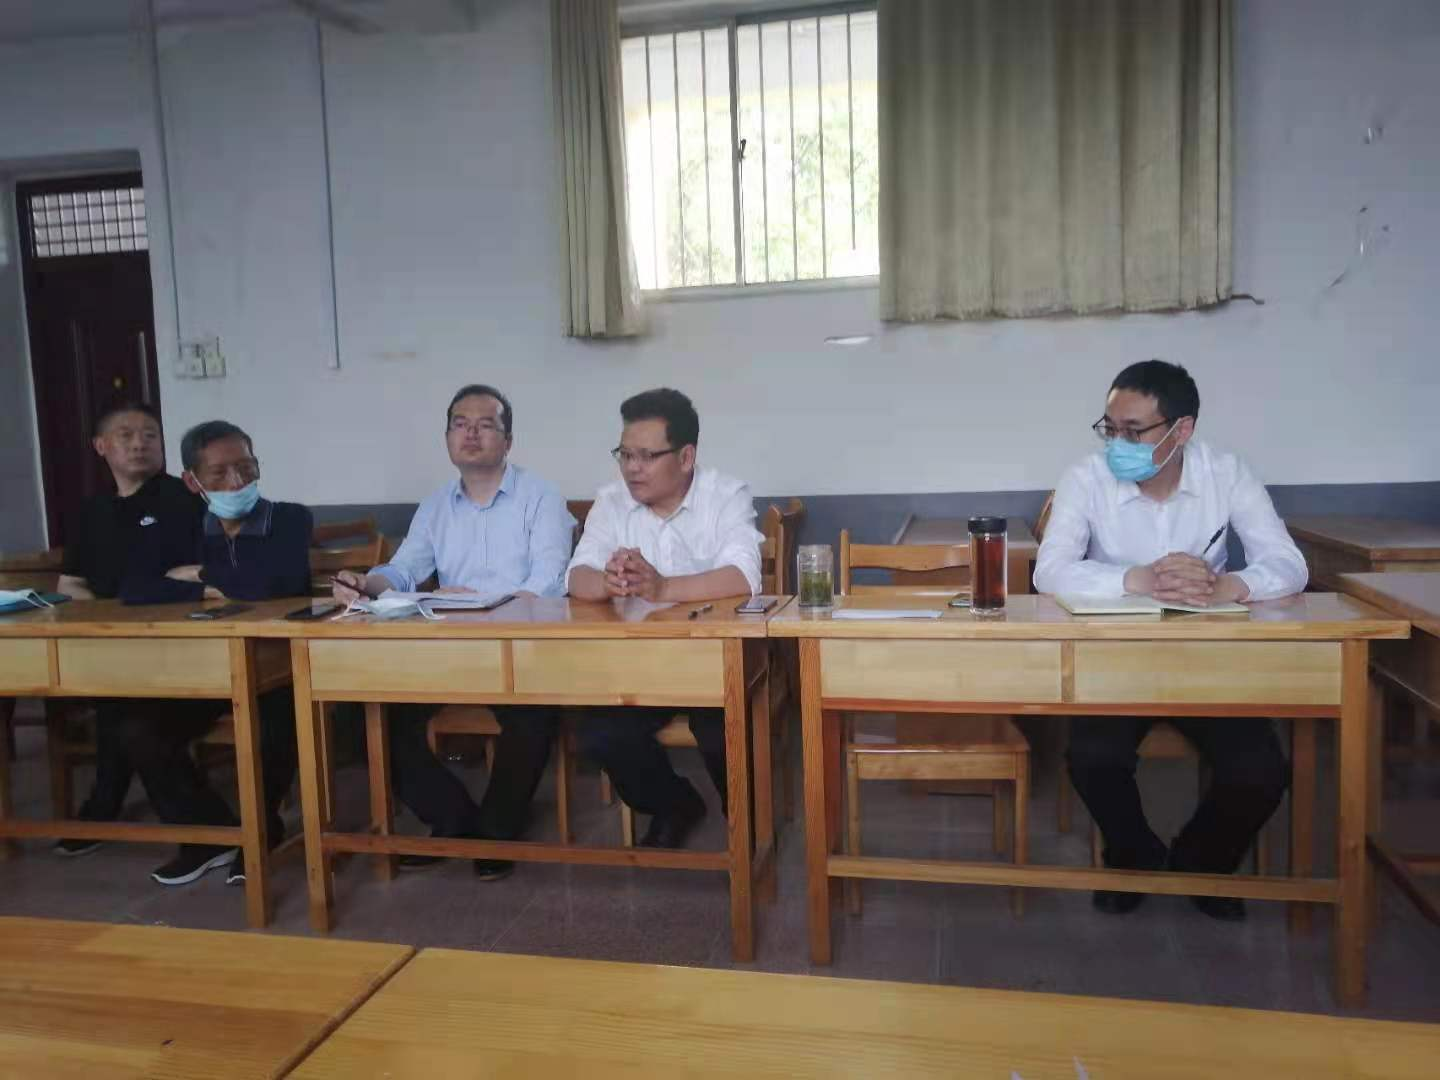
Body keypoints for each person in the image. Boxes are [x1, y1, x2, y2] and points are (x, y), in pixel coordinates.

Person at [1033, 359, 1307, 921]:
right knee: (1092, 758)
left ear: (1182, 430)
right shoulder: (1085, 477)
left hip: (1208, 659)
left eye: (1134, 431)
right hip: (1116, 655)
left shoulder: (1226, 473)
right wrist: (1137, 579)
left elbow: (1289, 564)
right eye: (1110, 428)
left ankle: (1203, 861)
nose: (1118, 444)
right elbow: (1049, 570)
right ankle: (1132, 855)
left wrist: (1229, 585)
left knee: (1260, 770)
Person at [332, 384, 573, 880]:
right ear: (447, 437)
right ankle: (454, 818)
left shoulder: (541, 497)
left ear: (508, 441)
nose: (471, 434)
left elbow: (549, 583)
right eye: (460, 424)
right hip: (447, 647)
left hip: (521, 645)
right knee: (364, 713)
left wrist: (485, 606)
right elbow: (404, 570)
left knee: (532, 713)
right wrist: (366, 583)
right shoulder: (436, 505)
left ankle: (497, 830)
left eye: (485, 425)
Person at [568, 388, 762, 849]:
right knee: (600, 733)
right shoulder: (612, 501)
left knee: (720, 729)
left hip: (714, 659)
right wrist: (608, 582)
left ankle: (746, 823)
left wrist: (662, 588)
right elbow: (577, 576)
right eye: (625, 455)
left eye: (647, 456)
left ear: (686, 456)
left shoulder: (726, 495)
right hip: (639, 663)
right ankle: (674, 804)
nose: (632, 468)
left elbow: (743, 577)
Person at [120, 419, 310, 886]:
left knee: (276, 722)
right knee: (137, 728)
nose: (237, 481)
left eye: (246, 467)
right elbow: (135, 587)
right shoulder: (184, 525)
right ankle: (209, 834)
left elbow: (273, 583)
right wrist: (214, 587)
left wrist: (200, 574)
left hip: (280, 668)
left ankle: (261, 829)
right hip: (202, 670)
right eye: (220, 473)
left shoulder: (288, 518)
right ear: (193, 481)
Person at [51, 402, 205, 857]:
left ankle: (112, 807)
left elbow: (199, 574)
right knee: (116, 699)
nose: (140, 444)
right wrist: (109, 616)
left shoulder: (181, 499)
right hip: (107, 642)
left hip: (176, 643)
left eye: (150, 435)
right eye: (126, 435)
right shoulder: (92, 511)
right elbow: (71, 585)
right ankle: (196, 827)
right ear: (101, 446)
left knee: (124, 712)